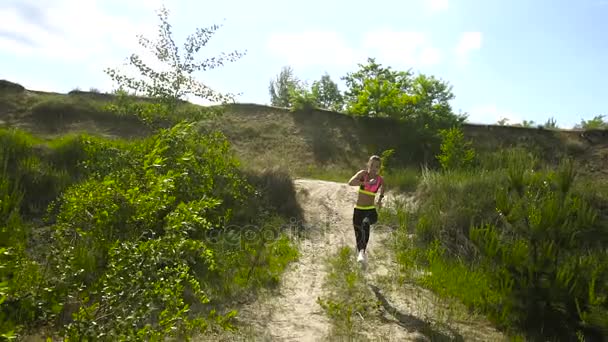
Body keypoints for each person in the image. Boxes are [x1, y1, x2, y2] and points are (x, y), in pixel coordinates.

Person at [347, 155, 385, 264]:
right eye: (372, 165)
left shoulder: (380, 179)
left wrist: (380, 200)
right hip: (358, 210)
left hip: (370, 210)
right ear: (368, 164)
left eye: (377, 166)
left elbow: (383, 188)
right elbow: (350, 182)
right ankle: (361, 253)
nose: (374, 168)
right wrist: (366, 183)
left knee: (365, 223)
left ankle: (362, 252)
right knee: (359, 234)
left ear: (379, 168)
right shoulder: (363, 174)